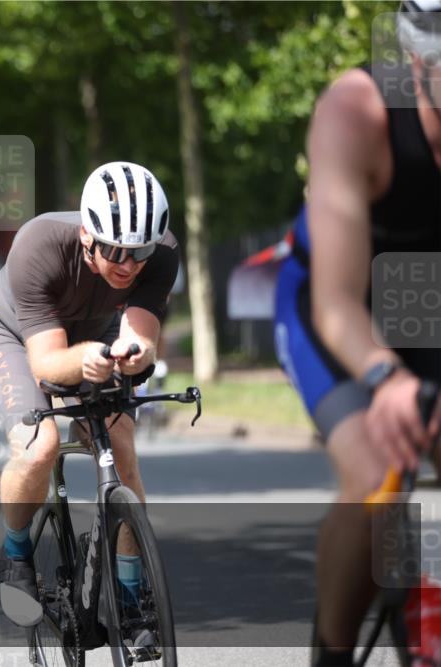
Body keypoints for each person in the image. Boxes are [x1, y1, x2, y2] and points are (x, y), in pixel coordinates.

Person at [273, 3, 441, 664]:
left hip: (423, 298)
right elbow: (337, 304)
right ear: (417, 60)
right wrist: (388, 379)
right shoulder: (356, 111)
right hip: (333, 302)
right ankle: (334, 651)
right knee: (379, 474)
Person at [0, 161, 180, 626]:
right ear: (87, 234)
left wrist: (135, 355)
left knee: (120, 444)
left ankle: (130, 593)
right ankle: (16, 553)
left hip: (96, 331)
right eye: (115, 251)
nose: (128, 265)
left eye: (140, 251)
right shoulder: (38, 244)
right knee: (40, 446)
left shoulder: (163, 252)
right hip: (13, 332)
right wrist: (88, 358)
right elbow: (47, 364)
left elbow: (143, 339)